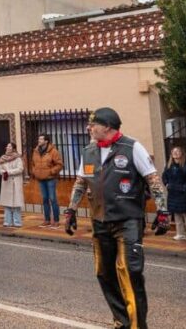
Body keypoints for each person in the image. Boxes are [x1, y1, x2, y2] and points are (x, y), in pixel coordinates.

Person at [64, 108, 168, 329]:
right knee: (104, 273)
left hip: (128, 221)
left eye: (93, 124)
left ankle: (137, 326)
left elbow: (153, 179)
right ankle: (121, 320)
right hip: (100, 221)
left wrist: (162, 212)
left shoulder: (132, 147)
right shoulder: (89, 151)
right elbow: (81, 182)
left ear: (108, 127)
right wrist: (70, 211)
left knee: (130, 272)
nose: (88, 128)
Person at [162, 146, 186, 242]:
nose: (175, 153)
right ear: (171, 154)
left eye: (178, 151)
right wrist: (167, 184)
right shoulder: (168, 166)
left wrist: (185, 187)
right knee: (177, 214)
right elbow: (164, 177)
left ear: (182, 154)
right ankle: (180, 234)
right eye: (174, 151)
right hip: (173, 193)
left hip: (184, 193)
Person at [31, 133, 63, 228]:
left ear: (46, 141)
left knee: (53, 199)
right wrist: (34, 171)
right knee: (44, 199)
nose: (39, 141)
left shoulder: (53, 151)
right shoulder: (36, 151)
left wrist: (51, 172)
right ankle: (47, 220)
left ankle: (56, 220)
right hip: (40, 179)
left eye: (41, 139)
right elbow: (33, 163)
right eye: (39, 139)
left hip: (50, 179)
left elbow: (59, 164)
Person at [0, 142, 25, 227]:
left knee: (16, 203)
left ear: (13, 148)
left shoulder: (18, 158)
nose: (7, 147)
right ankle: (7, 222)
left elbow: (20, 169)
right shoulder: (2, 158)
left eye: (9, 146)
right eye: (7, 146)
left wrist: (8, 172)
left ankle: (17, 222)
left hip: (15, 181)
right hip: (6, 182)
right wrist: (3, 172)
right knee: (7, 203)